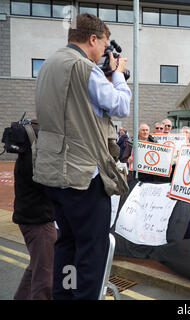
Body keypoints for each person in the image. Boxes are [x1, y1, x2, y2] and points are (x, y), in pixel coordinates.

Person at [33, 13, 131, 300]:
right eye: (103, 44)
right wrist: (117, 75)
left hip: (53, 173)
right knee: (91, 250)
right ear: (92, 39)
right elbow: (120, 106)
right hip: (82, 175)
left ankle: (64, 294)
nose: (104, 51)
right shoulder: (84, 68)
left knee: (67, 244)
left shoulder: (50, 64)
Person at [12, 121, 57, 300]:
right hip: (39, 222)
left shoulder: (26, 156)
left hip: (30, 219)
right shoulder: (34, 159)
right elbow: (48, 185)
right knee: (45, 276)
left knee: (37, 267)